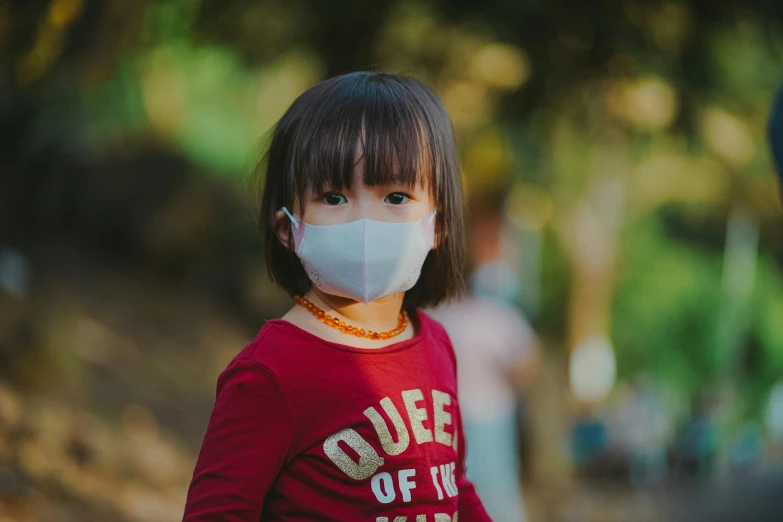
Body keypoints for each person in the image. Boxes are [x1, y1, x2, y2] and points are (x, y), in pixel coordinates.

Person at [182, 72, 491, 521]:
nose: (365, 223)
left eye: (397, 195)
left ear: (438, 223)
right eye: (333, 196)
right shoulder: (271, 374)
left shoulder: (436, 344)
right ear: (289, 227)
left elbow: (453, 486)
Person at [428, 258, 540, 522]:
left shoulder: (446, 314)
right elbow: (527, 366)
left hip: (457, 416)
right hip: (488, 415)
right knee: (496, 488)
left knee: (457, 485)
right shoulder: (503, 318)